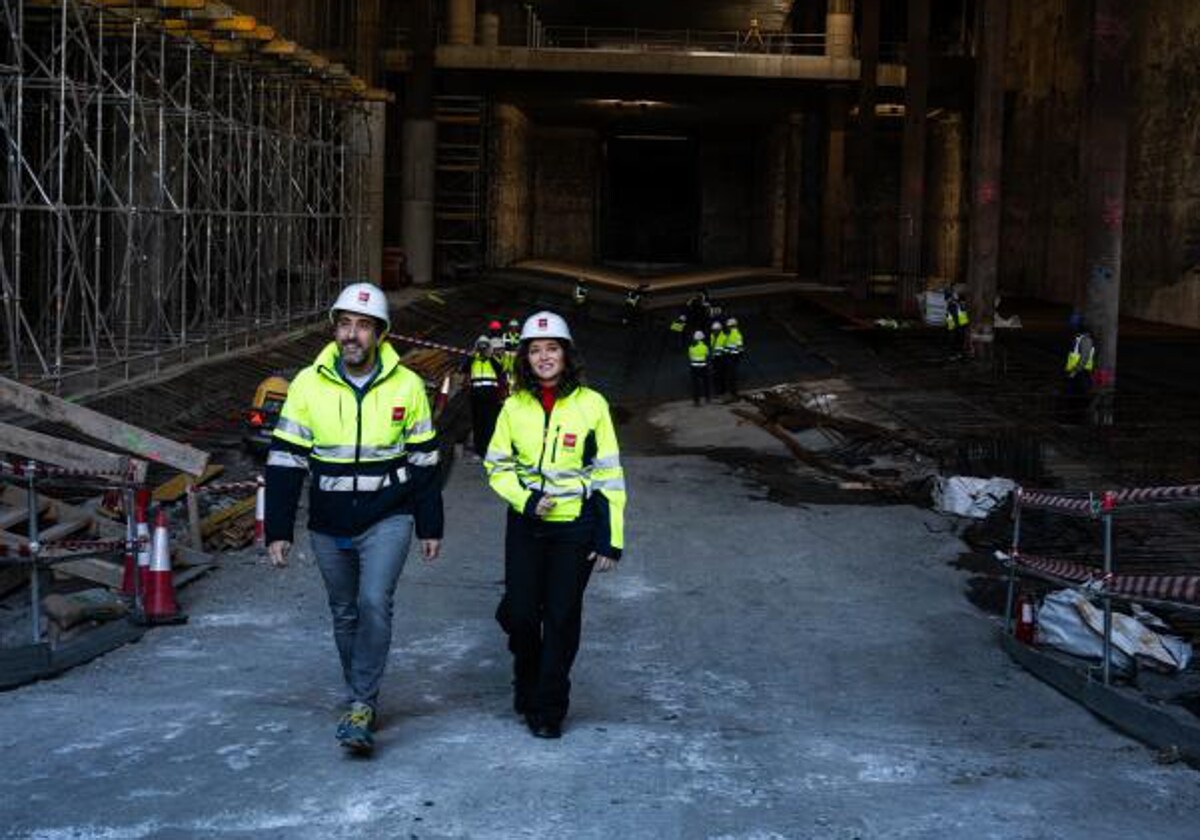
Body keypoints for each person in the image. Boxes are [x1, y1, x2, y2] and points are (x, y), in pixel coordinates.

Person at [265, 281, 443, 756]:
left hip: (389, 514)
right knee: (343, 612)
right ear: (334, 329)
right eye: (345, 324)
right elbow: (284, 459)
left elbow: (425, 459)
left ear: (380, 334)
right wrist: (277, 529)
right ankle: (358, 694)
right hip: (328, 519)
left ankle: (362, 702)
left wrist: (430, 523)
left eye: (363, 326)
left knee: (372, 602)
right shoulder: (308, 382)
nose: (352, 334)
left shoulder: (406, 385)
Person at [484, 311, 626, 739]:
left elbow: (608, 475)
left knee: (562, 617)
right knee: (523, 615)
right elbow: (496, 466)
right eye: (535, 350)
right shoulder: (513, 407)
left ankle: (549, 707)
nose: (544, 357)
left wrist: (610, 537)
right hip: (527, 526)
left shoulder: (592, 405)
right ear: (525, 358)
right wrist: (526, 500)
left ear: (566, 354)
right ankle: (526, 678)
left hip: (575, 530)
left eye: (552, 348)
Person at [466, 335, 505, 457]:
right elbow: (464, 368)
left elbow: (500, 370)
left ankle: (490, 450)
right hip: (476, 398)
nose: (482, 349)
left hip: (491, 398)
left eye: (485, 346)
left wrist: (489, 356)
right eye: (480, 346)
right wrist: (472, 355)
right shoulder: (473, 360)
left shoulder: (493, 360)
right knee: (478, 425)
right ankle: (480, 451)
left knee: (490, 425)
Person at [1064, 315, 1096, 423]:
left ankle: (1078, 420)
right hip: (1077, 374)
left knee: (1079, 398)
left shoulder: (1085, 339)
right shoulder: (1079, 338)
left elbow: (1084, 358)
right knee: (1074, 399)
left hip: (1081, 374)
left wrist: (1074, 371)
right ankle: (1073, 419)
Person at [687, 329, 711, 406]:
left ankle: (696, 401)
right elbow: (707, 356)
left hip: (694, 368)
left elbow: (690, 357)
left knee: (695, 385)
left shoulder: (691, 347)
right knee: (706, 383)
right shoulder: (705, 347)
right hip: (704, 367)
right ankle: (708, 398)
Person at [722, 317, 744, 398]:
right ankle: (733, 392)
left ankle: (733, 392)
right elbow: (739, 348)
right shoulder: (734, 334)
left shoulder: (732, 334)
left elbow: (738, 347)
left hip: (731, 357)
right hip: (732, 357)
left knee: (731, 375)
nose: (727, 327)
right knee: (731, 375)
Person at [944, 289, 970, 357]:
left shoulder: (958, 302)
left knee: (958, 336)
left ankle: (957, 352)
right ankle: (954, 352)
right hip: (955, 320)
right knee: (954, 336)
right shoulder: (953, 303)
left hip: (958, 319)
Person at [709, 319, 727, 396]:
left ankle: (723, 391)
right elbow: (712, 347)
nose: (714, 332)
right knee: (715, 376)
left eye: (716, 330)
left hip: (722, 359)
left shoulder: (724, 337)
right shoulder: (712, 336)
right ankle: (717, 391)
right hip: (715, 359)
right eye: (713, 330)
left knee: (722, 376)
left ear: (720, 330)